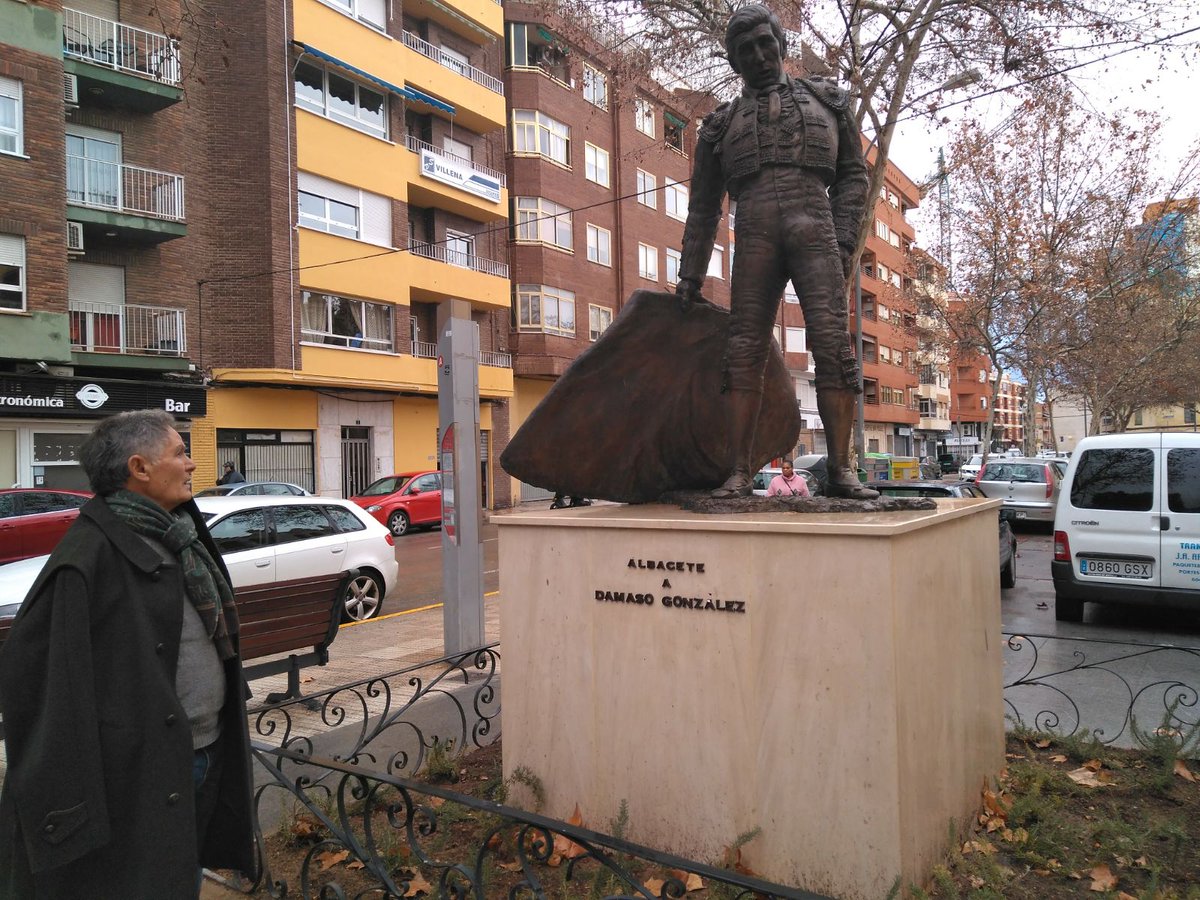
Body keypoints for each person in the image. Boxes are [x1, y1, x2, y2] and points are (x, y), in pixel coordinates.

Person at [0, 410, 256, 898]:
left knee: (181, 874)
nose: (192, 464)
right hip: (143, 772)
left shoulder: (177, 531)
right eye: (180, 453)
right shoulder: (88, 557)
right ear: (139, 468)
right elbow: (42, 686)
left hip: (205, 749)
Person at [675, 4, 878, 500]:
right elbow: (703, 207)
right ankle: (739, 472)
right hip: (755, 232)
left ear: (781, 45)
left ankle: (841, 470)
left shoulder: (828, 102)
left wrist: (843, 240)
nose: (759, 56)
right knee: (743, 350)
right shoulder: (720, 126)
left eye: (766, 44)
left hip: (816, 226)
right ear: (734, 61)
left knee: (832, 346)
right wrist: (691, 275)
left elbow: (854, 176)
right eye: (746, 51)